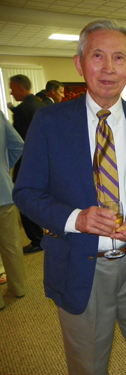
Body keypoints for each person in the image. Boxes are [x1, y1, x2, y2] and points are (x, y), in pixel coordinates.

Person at [13, 19, 126, 375]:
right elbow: (25, 192)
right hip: (78, 264)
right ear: (79, 62)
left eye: (119, 58)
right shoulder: (50, 122)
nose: (108, 67)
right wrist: (76, 219)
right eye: (97, 55)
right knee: (87, 365)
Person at [8, 74, 46, 253]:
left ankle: (36, 239)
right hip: (47, 163)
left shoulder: (23, 110)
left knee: (26, 201)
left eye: (12, 88)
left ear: (21, 88)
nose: (10, 92)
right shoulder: (41, 104)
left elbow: (20, 144)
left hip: (29, 164)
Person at [0, 110, 25, 311]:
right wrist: (3, 167)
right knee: (11, 244)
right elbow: (18, 144)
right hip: (4, 191)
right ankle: (18, 288)